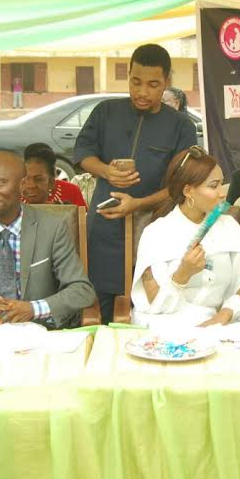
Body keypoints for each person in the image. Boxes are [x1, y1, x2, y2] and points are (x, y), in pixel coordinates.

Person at [75, 44, 197, 322]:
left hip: (155, 227)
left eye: (153, 85)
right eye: (135, 82)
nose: (142, 92)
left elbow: (182, 185)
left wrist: (139, 204)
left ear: (166, 81)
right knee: (102, 306)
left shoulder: (181, 126)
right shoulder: (106, 112)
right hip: (104, 225)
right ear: (128, 76)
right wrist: (106, 171)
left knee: (151, 305)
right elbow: (83, 154)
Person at [0, 151, 95, 328]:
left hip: (38, 331)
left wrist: (33, 309)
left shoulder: (52, 226)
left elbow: (81, 290)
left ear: (22, 185)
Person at [131, 146, 240, 328]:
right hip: (167, 327)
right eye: (213, 186)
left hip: (220, 325)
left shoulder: (229, 227)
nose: (222, 193)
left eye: (222, 184)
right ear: (188, 191)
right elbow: (155, 302)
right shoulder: (156, 234)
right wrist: (183, 274)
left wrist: (222, 316)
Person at [22, 143, 87, 207]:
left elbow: (82, 213)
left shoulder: (71, 190)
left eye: (39, 179)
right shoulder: (16, 195)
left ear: (51, 182)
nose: (31, 185)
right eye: (26, 178)